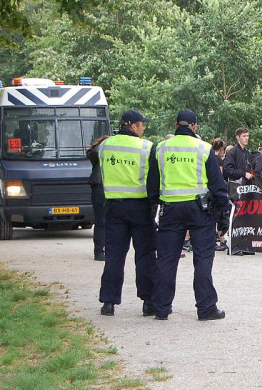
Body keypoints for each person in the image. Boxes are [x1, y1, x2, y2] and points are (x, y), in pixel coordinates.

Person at [147, 109, 228, 321]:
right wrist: (223, 212)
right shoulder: (203, 148)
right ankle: (206, 308)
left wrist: (155, 203)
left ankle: (161, 308)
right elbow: (217, 183)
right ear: (194, 127)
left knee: (166, 259)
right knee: (202, 259)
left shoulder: (161, 148)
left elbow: (152, 184)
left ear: (176, 126)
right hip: (199, 210)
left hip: (170, 209)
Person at [97, 110, 158, 316]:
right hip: (140, 208)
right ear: (134, 126)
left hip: (114, 207)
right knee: (145, 256)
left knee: (114, 255)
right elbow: (152, 181)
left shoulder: (105, 145)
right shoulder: (146, 147)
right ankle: (148, 301)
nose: (144, 129)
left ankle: (108, 302)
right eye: (142, 125)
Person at [86, 135, 109, 261]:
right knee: (101, 221)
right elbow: (93, 153)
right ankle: (99, 251)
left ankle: (103, 250)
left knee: (104, 221)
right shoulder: (97, 154)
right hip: (100, 187)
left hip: (104, 187)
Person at [211, 138, 229, 252]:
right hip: (217, 191)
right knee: (218, 216)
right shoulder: (218, 160)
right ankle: (216, 240)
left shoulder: (209, 157)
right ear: (221, 149)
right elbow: (220, 176)